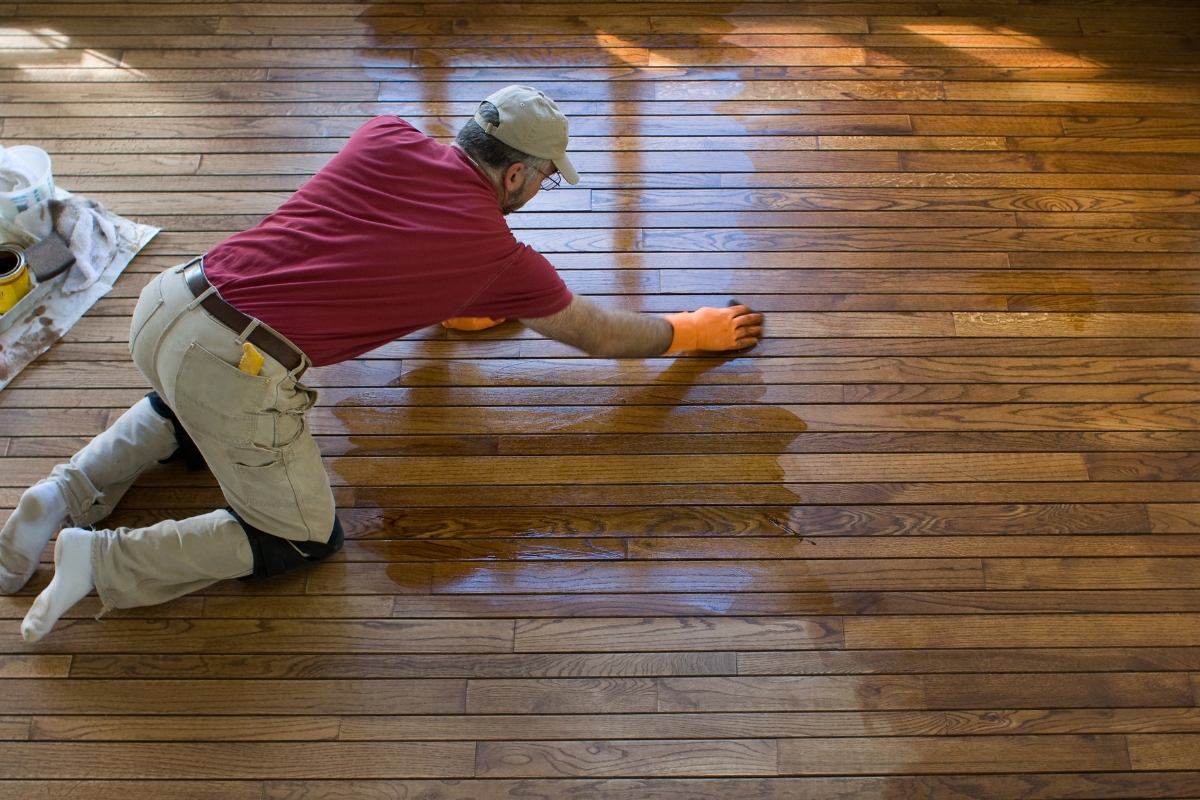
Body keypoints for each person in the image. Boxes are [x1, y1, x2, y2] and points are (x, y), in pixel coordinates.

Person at [0, 85, 763, 642]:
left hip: (169, 303)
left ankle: (58, 493)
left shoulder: (383, 136)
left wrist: (456, 300)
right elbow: (598, 336)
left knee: (187, 409)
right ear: (516, 176)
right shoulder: (497, 252)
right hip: (233, 364)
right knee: (297, 538)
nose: (538, 191)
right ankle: (99, 559)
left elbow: (372, 240)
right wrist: (689, 332)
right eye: (542, 178)